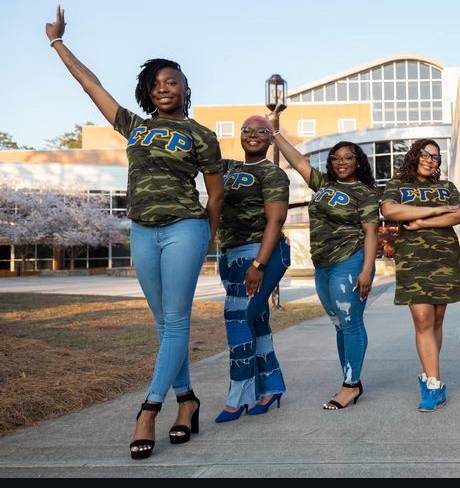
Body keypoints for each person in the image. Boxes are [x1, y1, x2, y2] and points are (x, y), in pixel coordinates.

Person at [45, 7, 224, 460]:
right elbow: (92, 86)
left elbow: (215, 195)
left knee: (177, 320)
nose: (164, 87)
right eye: (156, 83)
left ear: (186, 88)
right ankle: (188, 402)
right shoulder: (135, 127)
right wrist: (58, 43)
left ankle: (149, 409)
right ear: (148, 92)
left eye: (172, 81)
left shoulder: (200, 135)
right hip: (142, 230)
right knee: (163, 324)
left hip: (185, 226)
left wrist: (208, 235)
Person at [270, 111, 378, 410]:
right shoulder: (323, 186)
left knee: (351, 321)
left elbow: (371, 234)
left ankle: (351, 385)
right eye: (336, 158)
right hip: (323, 265)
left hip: (350, 261)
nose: (341, 162)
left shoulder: (365, 194)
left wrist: (367, 270)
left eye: (348, 157)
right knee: (339, 324)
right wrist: (276, 132)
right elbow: (298, 161)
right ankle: (350, 378)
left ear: (358, 162)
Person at [380, 140, 460, 412]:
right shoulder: (397, 185)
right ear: (414, 155)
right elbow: (390, 210)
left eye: (437, 157)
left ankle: (429, 373)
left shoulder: (447, 187)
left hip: (443, 259)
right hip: (412, 262)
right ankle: (434, 383)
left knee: (437, 319)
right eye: (427, 154)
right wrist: (437, 209)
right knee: (422, 319)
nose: (432, 160)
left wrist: (421, 222)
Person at [214, 115, 290, 422]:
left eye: (262, 131)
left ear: (271, 138)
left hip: (259, 254)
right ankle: (271, 387)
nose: (253, 135)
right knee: (256, 321)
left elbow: (276, 220)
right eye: (247, 130)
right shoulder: (230, 168)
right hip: (229, 253)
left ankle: (239, 396)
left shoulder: (273, 174)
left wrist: (258, 264)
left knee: (237, 321)